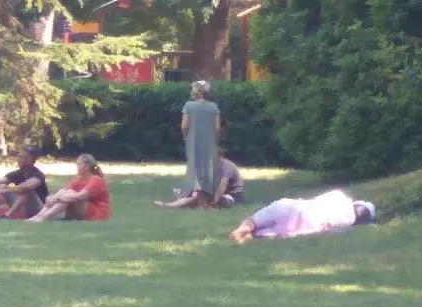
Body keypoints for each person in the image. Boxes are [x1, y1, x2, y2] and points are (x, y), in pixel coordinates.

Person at [229, 190, 376, 244]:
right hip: (307, 221)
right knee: (264, 235)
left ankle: (243, 232)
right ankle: (248, 237)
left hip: (290, 205)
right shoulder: (347, 221)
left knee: (252, 223)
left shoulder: (337, 196)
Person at [27, 154, 110, 222]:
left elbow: (81, 196)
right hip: (82, 209)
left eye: (79, 164)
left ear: (87, 167)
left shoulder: (96, 180)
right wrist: (53, 197)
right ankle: (38, 216)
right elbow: (64, 190)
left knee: (71, 195)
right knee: (66, 192)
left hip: (98, 214)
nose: (77, 167)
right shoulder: (79, 179)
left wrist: (57, 199)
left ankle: (44, 217)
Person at [154, 152, 243, 210]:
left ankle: (172, 205)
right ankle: (175, 203)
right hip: (219, 195)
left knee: (198, 196)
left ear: (220, 156)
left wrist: (214, 202)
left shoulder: (227, 166)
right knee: (196, 194)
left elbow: (222, 187)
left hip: (232, 198)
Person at [181, 80, 221, 209]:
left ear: (195, 91)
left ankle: (195, 197)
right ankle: (207, 197)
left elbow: (184, 126)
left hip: (193, 140)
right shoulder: (213, 107)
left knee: (194, 166)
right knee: (208, 167)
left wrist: (186, 136)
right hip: (209, 142)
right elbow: (217, 128)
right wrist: (215, 139)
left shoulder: (188, 106)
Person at [0, 147, 48, 219]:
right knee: (2, 186)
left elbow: (27, 186)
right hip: (23, 206)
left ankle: (7, 214)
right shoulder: (17, 173)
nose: (19, 159)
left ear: (31, 160)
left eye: (23, 157)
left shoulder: (38, 174)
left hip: (38, 208)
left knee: (26, 190)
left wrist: (4, 191)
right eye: (19, 156)